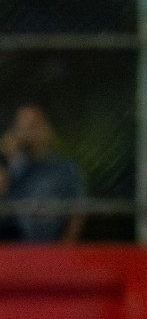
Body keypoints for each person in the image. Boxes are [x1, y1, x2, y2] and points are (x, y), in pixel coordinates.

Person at [1, 104, 85, 243]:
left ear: (47, 129)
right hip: (14, 253)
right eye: (21, 127)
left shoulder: (65, 170)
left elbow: (77, 213)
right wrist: (5, 160)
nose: (27, 132)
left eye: (32, 126)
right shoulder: (12, 168)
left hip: (51, 251)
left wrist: (65, 251)